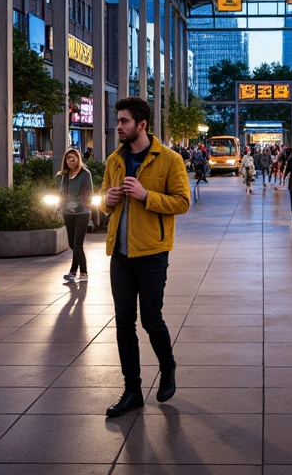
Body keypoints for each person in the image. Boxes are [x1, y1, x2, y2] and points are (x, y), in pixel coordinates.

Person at [101, 96, 190, 419]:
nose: (118, 126)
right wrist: (106, 200)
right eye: (118, 120)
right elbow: (104, 201)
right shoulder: (114, 160)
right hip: (119, 255)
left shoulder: (169, 159)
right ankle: (132, 390)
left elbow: (182, 202)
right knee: (124, 323)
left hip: (152, 253)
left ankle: (167, 369)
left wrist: (146, 196)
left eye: (123, 121)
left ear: (142, 124)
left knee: (151, 320)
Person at [56, 147, 93, 283]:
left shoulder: (85, 173)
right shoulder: (65, 175)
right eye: (68, 159)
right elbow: (62, 193)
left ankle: (73, 272)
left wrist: (87, 206)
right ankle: (84, 273)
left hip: (81, 212)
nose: (71, 161)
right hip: (68, 212)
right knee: (73, 245)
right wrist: (59, 207)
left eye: (73, 158)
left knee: (78, 244)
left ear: (78, 159)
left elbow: (89, 192)